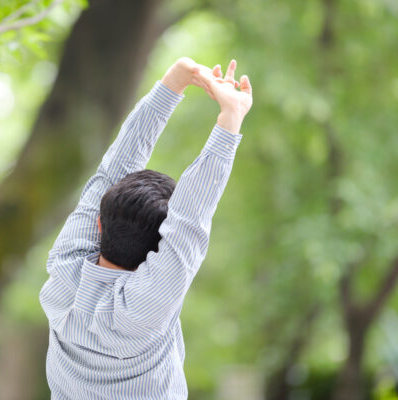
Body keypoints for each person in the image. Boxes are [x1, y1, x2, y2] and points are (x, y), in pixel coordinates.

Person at [39, 57, 253, 399]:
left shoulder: (64, 272)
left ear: (99, 222)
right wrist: (226, 113)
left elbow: (114, 177)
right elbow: (187, 221)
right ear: (158, 249)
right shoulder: (145, 308)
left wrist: (174, 86)